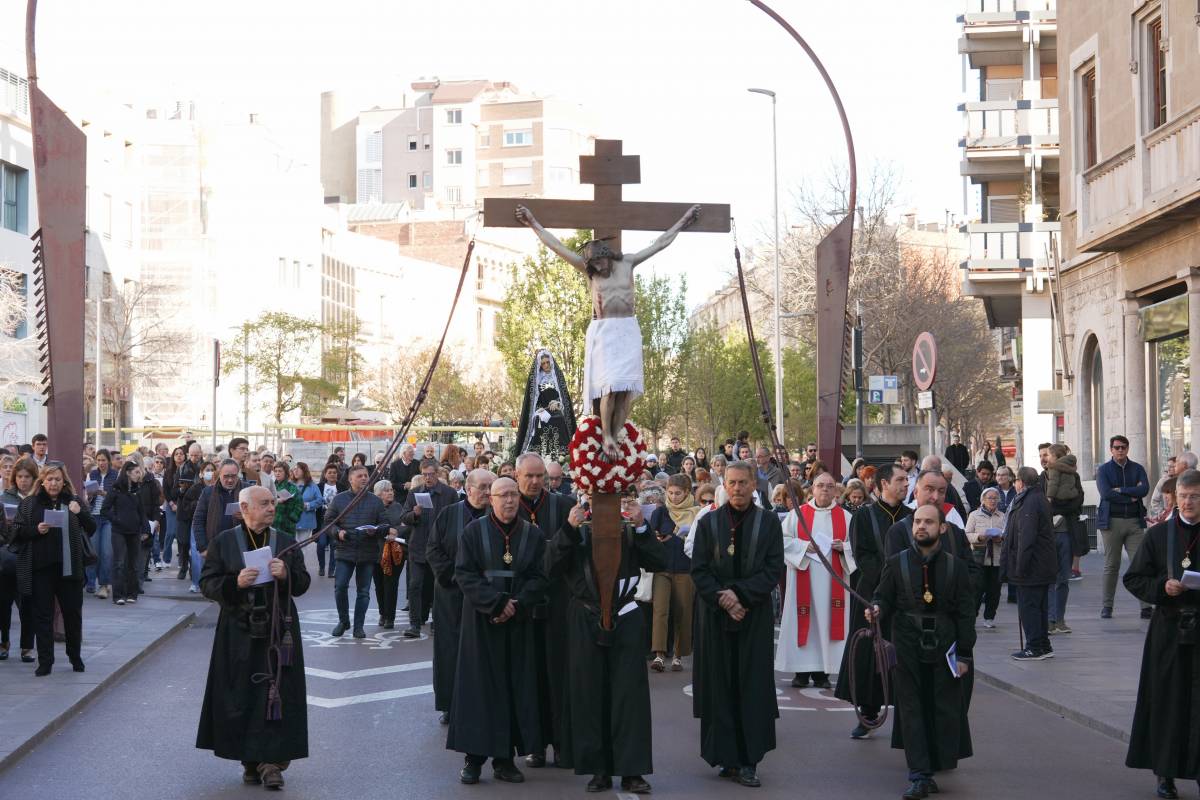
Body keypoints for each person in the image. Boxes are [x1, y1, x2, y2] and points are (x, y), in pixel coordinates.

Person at [516, 203, 700, 460]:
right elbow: (557, 246)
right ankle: (607, 437)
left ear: (607, 255)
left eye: (600, 262)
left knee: (625, 392)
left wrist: (683, 221)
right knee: (609, 387)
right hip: (604, 330)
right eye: (593, 264)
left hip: (628, 328)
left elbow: (660, 243)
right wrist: (533, 222)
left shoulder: (628, 262)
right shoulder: (590, 272)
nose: (598, 267)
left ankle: (616, 433)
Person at [546, 489, 663, 794]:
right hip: (585, 615)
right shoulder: (576, 527)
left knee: (629, 695)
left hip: (626, 614)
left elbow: (660, 560)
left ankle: (632, 770)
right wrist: (568, 529)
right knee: (588, 693)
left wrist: (642, 527)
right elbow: (550, 567)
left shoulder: (629, 528)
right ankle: (597, 769)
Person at [196, 485, 310, 789]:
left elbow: (302, 583)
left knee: (277, 693)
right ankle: (249, 760)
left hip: (279, 629)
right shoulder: (223, 542)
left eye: (273, 503)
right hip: (238, 631)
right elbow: (207, 583)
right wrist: (235, 582)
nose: (272, 508)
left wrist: (286, 574)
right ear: (245, 508)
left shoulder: (285, 542)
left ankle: (272, 763)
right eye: (265, 503)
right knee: (241, 694)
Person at [867, 504, 975, 800]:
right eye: (917, 521)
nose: (921, 526)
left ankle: (935, 765)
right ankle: (919, 774)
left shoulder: (956, 567)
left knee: (943, 707)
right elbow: (882, 596)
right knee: (911, 707)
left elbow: (966, 612)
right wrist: (876, 608)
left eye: (928, 522)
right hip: (906, 641)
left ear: (942, 528)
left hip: (945, 642)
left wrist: (964, 654)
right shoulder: (896, 562)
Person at [690, 461, 785, 787]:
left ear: (754, 484)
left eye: (743, 482)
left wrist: (741, 596)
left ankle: (748, 760)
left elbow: (773, 568)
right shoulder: (709, 522)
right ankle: (725, 756)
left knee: (751, 686)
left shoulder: (768, 523)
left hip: (753, 616)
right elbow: (699, 569)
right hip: (716, 616)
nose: (737, 488)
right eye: (731, 482)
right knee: (719, 685)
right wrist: (725, 600)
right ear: (724, 484)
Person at [448, 476, 547, 785]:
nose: (509, 500)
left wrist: (516, 604)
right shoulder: (472, 532)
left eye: (513, 495)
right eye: (502, 495)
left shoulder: (532, 534)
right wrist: (496, 604)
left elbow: (540, 577)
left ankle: (504, 760)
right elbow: (465, 574)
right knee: (479, 691)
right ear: (490, 499)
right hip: (481, 623)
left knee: (514, 689)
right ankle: (473, 760)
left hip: (518, 623)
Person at [1122, 468, 1200, 800]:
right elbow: (1133, 578)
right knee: (1168, 703)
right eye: (1183, 496)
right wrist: (1161, 587)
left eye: (1195, 496)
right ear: (1175, 498)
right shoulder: (1158, 536)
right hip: (1169, 629)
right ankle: (1164, 774)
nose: (1188, 502)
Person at [835, 463, 911, 738]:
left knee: (902, 653)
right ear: (883, 484)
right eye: (900, 480)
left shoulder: (912, 517)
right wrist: (888, 582)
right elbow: (863, 555)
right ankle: (867, 712)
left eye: (907, 479)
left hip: (906, 596)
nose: (906, 484)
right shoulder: (864, 517)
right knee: (870, 652)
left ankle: (906, 715)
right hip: (872, 593)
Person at [512, 451, 576, 768]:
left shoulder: (563, 506)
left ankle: (563, 742)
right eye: (530, 476)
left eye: (542, 476)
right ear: (517, 475)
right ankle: (535, 745)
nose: (537, 482)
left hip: (559, 602)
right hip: (523, 605)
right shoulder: (508, 506)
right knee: (530, 676)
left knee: (560, 676)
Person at [14, 463, 96, 675]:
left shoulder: (73, 501)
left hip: (70, 568)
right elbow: (17, 531)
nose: (53, 483)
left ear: (64, 481)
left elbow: (91, 528)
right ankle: (45, 661)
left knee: (72, 614)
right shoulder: (30, 503)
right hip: (41, 569)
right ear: (42, 481)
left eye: (58, 479)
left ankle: (75, 656)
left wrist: (79, 513)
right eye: (49, 479)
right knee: (43, 616)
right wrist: (36, 529)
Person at [776, 472, 855, 690]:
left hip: (833, 583)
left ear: (836, 491)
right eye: (821, 485)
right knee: (804, 623)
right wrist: (803, 547)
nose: (825, 490)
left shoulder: (846, 517)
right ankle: (801, 673)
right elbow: (781, 540)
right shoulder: (798, 514)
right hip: (804, 578)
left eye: (830, 486)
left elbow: (856, 546)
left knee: (828, 625)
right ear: (812, 489)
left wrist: (843, 547)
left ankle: (822, 673)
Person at [427, 468, 493, 723]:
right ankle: (450, 703)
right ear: (468, 488)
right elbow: (433, 549)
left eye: (491, 487)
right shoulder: (448, 514)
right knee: (450, 649)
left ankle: (484, 702)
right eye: (483, 487)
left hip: (485, 594)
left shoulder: (496, 515)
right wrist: (458, 577)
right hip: (451, 595)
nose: (487, 492)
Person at [328, 465, 395, 639]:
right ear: (350, 479)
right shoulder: (339, 499)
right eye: (360, 476)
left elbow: (385, 524)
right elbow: (328, 523)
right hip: (345, 549)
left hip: (368, 551)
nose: (364, 478)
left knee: (363, 591)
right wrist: (338, 532)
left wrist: (377, 530)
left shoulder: (375, 501)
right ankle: (343, 621)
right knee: (340, 587)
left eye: (366, 475)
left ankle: (359, 626)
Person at [399, 458, 458, 639]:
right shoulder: (414, 493)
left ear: (437, 474)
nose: (427, 478)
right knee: (415, 585)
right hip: (418, 546)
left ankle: (437, 622)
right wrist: (414, 514)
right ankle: (414, 624)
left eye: (431, 474)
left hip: (440, 549)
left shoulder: (449, 493)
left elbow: (456, 518)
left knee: (438, 587)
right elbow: (404, 517)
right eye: (424, 475)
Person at [1001, 466, 1056, 661]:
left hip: (1032, 565)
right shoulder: (1037, 498)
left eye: (1016, 480)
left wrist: (1020, 567)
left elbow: (1026, 536)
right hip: (1040, 564)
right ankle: (1043, 645)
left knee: (1029, 607)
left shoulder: (1029, 502)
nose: (1015, 484)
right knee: (1039, 607)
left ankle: (1034, 646)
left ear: (1021, 482)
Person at [1096, 435, 1151, 620]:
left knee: (1140, 564)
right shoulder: (1103, 470)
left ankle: (1146, 607)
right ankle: (1107, 606)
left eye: (1123, 447)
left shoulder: (1137, 468)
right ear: (1111, 449)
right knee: (1112, 565)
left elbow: (1144, 489)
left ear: (1128, 449)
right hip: (1112, 522)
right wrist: (1130, 497)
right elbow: (1106, 494)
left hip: (1135, 521)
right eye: (1117, 447)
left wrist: (1120, 490)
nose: (1120, 450)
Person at [648, 473, 697, 673]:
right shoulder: (660, 512)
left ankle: (678, 655)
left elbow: (701, 541)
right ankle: (659, 655)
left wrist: (682, 538)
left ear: (687, 492)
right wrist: (658, 538)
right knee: (660, 610)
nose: (674, 497)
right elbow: (651, 538)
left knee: (683, 612)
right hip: (662, 567)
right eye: (670, 493)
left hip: (686, 568)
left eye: (678, 493)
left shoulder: (697, 513)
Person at [1043, 444, 1083, 635]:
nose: (1044, 458)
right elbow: (1042, 503)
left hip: (1067, 532)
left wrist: (1057, 509)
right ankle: (1050, 620)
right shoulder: (1042, 477)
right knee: (1050, 578)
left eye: (1047, 455)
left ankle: (1059, 619)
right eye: (1042, 455)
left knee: (1063, 579)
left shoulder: (1074, 475)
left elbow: (1078, 500)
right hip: (1048, 534)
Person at [0, 458, 37, 663]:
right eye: (20, 476)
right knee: (3, 603)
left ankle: (27, 647)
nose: (23, 480)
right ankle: (3, 642)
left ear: (34, 478)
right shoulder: (4, 498)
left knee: (27, 604)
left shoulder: (38, 499)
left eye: (27, 477)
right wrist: (8, 527)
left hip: (30, 557)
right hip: (7, 558)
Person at [514, 349, 578, 463]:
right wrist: (538, 408)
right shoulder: (536, 379)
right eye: (543, 363)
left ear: (551, 362)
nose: (546, 365)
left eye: (548, 362)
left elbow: (564, 397)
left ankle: (562, 454)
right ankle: (538, 453)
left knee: (559, 418)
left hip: (557, 409)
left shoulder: (557, 377)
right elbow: (533, 400)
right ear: (540, 365)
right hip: (542, 411)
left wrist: (558, 403)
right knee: (538, 420)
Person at [102, 462, 151, 606]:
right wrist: (116, 519)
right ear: (128, 473)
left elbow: (141, 511)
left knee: (133, 564)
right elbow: (105, 509)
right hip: (119, 531)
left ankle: (132, 593)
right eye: (136, 472)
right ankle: (118, 595)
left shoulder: (138, 490)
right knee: (119, 563)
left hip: (134, 531)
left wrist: (146, 529)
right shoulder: (116, 489)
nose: (139, 475)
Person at [964, 487, 1005, 629]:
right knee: (976, 589)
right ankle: (972, 616)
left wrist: (1001, 539)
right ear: (983, 500)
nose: (993, 501)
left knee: (994, 591)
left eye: (995, 498)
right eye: (990, 498)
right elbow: (967, 534)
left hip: (996, 559)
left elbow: (1008, 535)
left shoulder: (1002, 516)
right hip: (978, 558)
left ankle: (989, 617)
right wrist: (979, 537)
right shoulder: (974, 515)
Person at [370, 479, 407, 630]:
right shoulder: (373, 508)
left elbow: (406, 525)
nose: (390, 492)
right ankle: (382, 613)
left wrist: (397, 530)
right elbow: (370, 526)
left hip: (395, 551)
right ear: (378, 494)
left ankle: (390, 617)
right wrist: (386, 530)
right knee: (379, 585)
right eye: (386, 490)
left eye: (391, 490)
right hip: (376, 551)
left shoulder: (398, 507)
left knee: (391, 584)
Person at [86, 449, 119, 599]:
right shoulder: (92, 474)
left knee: (106, 552)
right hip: (94, 516)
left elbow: (118, 497)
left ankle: (104, 584)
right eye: (98, 460)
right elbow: (87, 499)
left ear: (109, 461)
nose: (101, 463)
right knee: (93, 551)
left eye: (103, 460)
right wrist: (90, 495)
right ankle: (91, 581)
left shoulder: (115, 475)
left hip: (108, 517)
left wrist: (105, 493)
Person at [315, 463, 344, 577]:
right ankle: (321, 566)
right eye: (330, 473)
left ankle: (332, 570)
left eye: (334, 473)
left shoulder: (342, 487)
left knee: (334, 544)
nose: (332, 475)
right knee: (321, 543)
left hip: (337, 519)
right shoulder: (319, 487)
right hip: (323, 518)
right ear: (325, 475)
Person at [270, 463, 302, 536]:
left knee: (287, 542)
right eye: (275, 471)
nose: (277, 473)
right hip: (272, 523)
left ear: (286, 473)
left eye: (280, 471)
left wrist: (291, 518)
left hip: (287, 525)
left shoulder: (292, 487)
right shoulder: (271, 486)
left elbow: (299, 505)